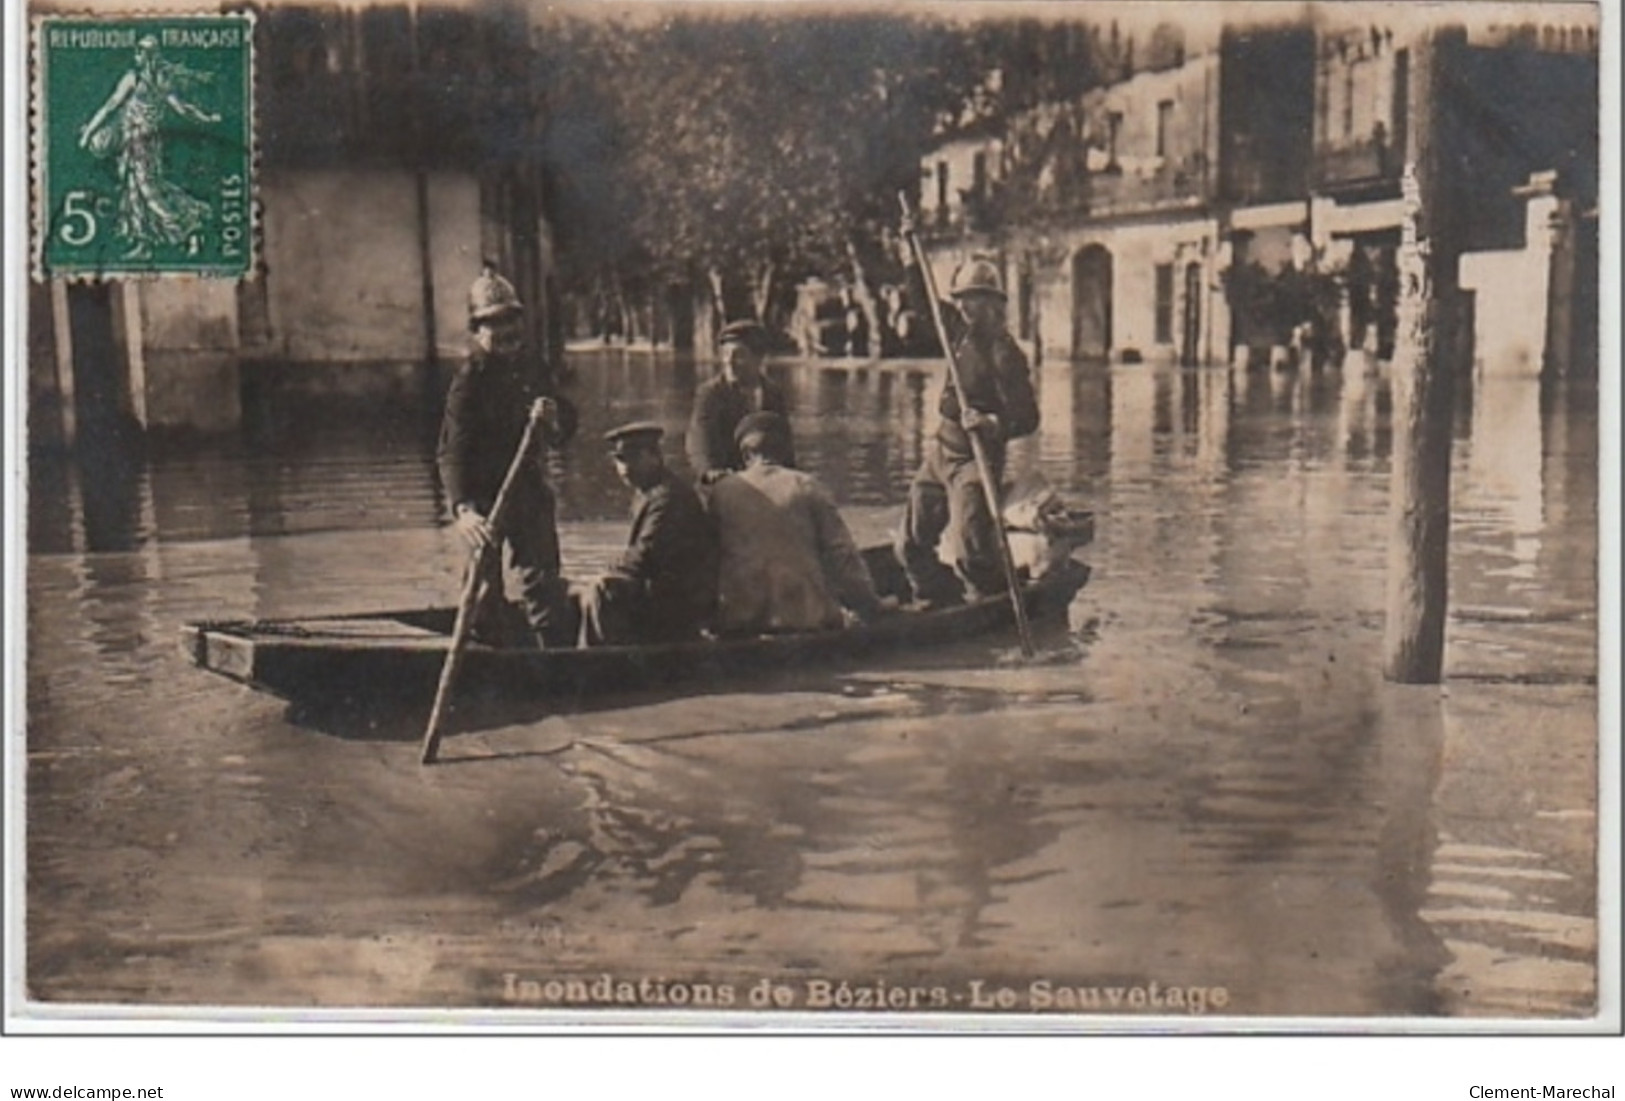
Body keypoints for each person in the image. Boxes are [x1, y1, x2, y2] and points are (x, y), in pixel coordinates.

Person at [437, 263, 577, 648]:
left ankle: (554, 657)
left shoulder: (534, 367)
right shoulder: (469, 380)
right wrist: (463, 508)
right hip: (484, 500)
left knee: (543, 581)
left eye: (511, 320)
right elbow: (451, 450)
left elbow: (564, 429)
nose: (505, 331)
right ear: (477, 330)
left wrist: (553, 419)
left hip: (527, 488)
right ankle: (489, 660)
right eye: (493, 323)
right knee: (483, 589)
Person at [895, 254, 1039, 606]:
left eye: (972, 298)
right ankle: (935, 595)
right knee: (910, 544)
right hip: (941, 451)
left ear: (992, 304)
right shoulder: (956, 331)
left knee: (969, 552)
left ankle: (994, 596)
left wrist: (992, 423)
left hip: (976, 459)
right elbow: (923, 302)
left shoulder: (1005, 353)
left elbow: (1028, 416)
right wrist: (909, 256)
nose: (962, 305)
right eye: (959, 298)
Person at [707, 412, 883, 635]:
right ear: (785, 449)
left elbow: (708, 558)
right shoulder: (807, 486)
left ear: (745, 454)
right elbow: (843, 557)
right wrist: (869, 603)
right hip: (801, 616)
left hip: (739, 617)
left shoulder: (721, 492)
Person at [574, 422, 720, 646]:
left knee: (603, 589)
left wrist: (604, 573)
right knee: (578, 593)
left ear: (655, 456)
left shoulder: (669, 498)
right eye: (619, 460)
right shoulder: (647, 492)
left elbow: (644, 557)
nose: (624, 469)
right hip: (660, 594)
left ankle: (593, 664)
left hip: (678, 605)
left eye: (633, 459)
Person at [78, 35, 219, 259]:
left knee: (147, 190)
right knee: (133, 190)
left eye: (141, 52)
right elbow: (111, 107)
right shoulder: (144, 79)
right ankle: (144, 244)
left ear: (146, 55)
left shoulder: (150, 80)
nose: (139, 56)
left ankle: (192, 228)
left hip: (144, 143)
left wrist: (204, 118)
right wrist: (89, 133)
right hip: (133, 141)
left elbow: (179, 107)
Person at [686, 320, 793, 481]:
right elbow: (699, 441)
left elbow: (785, 443)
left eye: (739, 355)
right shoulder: (710, 394)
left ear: (759, 358)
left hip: (767, 477)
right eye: (725, 355)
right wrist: (709, 471)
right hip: (723, 480)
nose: (729, 362)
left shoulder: (773, 393)